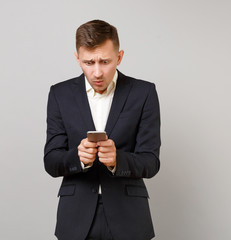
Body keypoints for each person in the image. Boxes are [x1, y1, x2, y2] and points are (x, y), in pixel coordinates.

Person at [44, 19, 161, 240]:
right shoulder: (59, 94)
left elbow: (151, 162)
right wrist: (78, 158)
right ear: (77, 59)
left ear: (119, 57)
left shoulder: (144, 93)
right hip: (75, 218)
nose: (97, 72)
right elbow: (51, 161)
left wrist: (118, 160)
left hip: (129, 218)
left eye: (105, 61)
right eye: (89, 62)